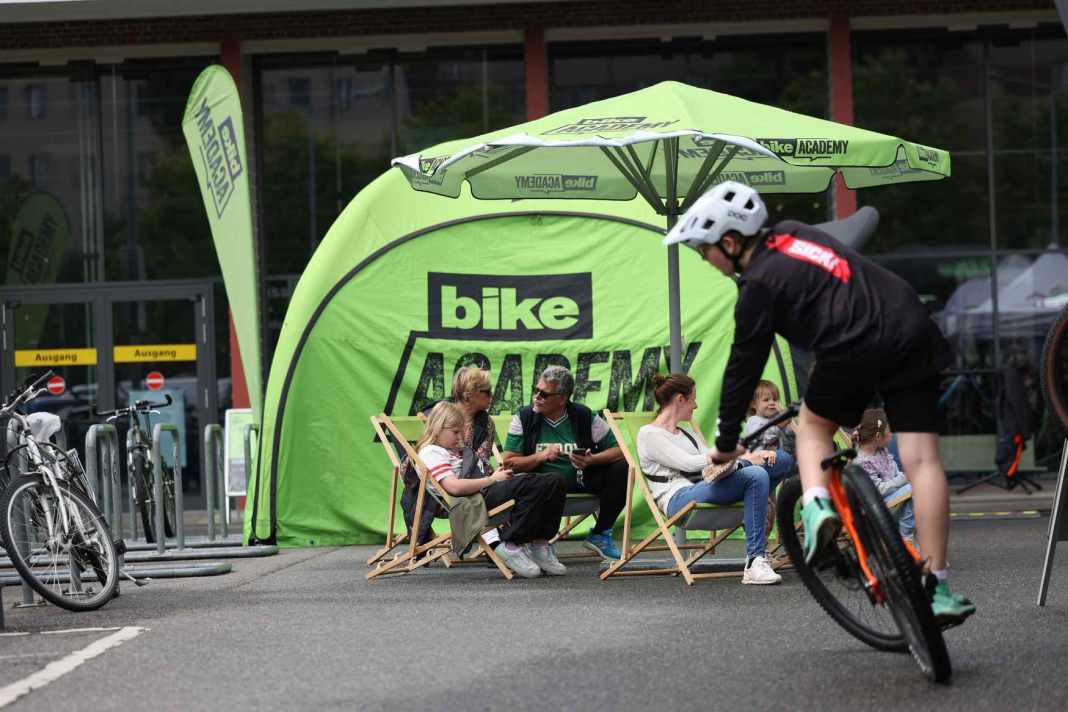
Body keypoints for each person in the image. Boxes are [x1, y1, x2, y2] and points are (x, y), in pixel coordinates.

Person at [663, 180, 975, 624]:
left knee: (812, 428)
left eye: (704, 250)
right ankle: (939, 586)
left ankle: (816, 506)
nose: (705, 259)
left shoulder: (756, 286)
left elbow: (743, 368)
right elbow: (854, 230)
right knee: (922, 461)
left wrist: (728, 439)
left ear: (730, 242)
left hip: (851, 344)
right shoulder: (797, 232)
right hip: (911, 327)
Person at [636, 373, 793, 584]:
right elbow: (689, 464)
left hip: (707, 484)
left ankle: (753, 498)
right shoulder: (649, 434)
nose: (696, 406)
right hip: (678, 498)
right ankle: (754, 560)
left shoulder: (686, 432)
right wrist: (738, 458)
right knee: (755, 474)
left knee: (780, 460)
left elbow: (711, 462)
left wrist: (751, 456)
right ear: (679, 399)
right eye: (693, 399)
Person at [417, 401, 568, 578]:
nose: (459, 437)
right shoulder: (432, 452)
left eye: (461, 432)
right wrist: (491, 479)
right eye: (455, 432)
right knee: (534, 485)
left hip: (483, 490)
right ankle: (512, 543)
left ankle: (540, 544)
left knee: (555, 481)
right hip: (471, 499)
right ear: (437, 428)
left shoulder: (453, 450)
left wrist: (495, 476)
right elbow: (454, 487)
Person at [502, 365, 628, 560]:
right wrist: (540, 456)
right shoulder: (524, 417)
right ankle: (536, 540)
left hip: (580, 479)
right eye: (536, 390)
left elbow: (619, 449)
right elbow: (509, 462)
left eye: (544, 394)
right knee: (551, 480)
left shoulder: (584, 415)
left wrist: (592, 460)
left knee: (623, 467)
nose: (537, 397)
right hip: (541, 488)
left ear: (562, 398)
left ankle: (601, 533)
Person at [401, 367, 498, 547]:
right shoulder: (438, 415)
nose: (492, 396)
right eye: (487, 392)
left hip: (468, 483)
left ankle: (500, 543)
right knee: (496, 486)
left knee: (503, 486)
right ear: (470, 395)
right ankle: (496, 545)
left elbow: (481, 461)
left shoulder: (486, 423)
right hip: (435, 489)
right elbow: (412, 463)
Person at [852, 408, 916, 544]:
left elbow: (895, 472)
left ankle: (913, 533)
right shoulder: (862, 461)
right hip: (878, 505)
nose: (891, 434)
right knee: (914, 488)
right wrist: (905, 479)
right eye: (888, 431)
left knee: (917, 485)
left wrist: (904, 478)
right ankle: (905, 536)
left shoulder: (881, 450)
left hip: (892, 499)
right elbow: (878, 491)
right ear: (878, 436)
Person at [744, 379, 795, 454]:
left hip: (777, 458)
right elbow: (764, 438)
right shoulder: (753, 421)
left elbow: (789, 435)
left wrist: (786, 420)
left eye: (775, 399)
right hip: (760, 459)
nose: (772, 403)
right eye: (766, 400)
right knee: (783, 456)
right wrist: (779, 426)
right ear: (753, 404)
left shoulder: (776, 420)